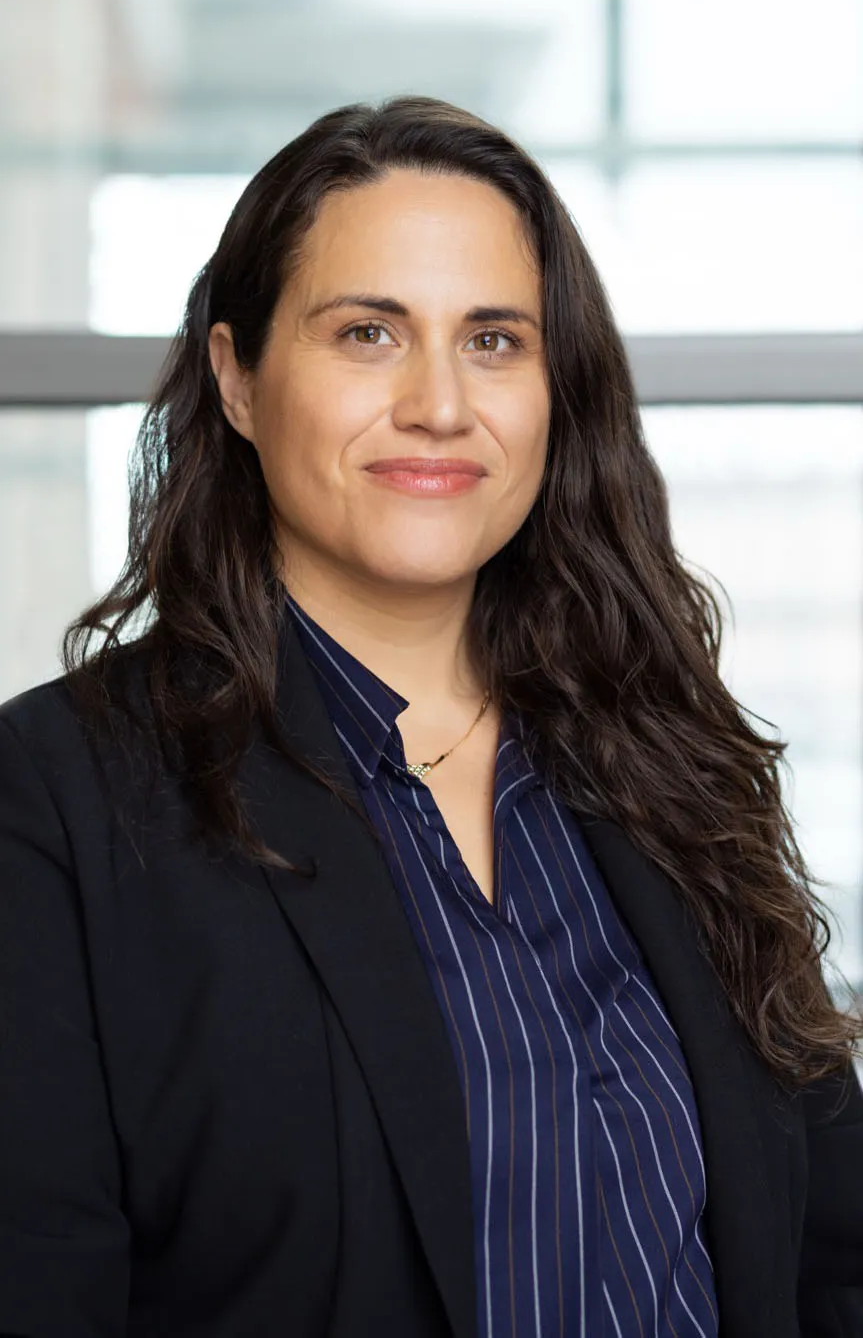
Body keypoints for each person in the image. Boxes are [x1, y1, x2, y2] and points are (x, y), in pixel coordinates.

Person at [1, 96, 861, 1338]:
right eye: (367, 332)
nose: (439, 404)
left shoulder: (672, 758)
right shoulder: (60, 803)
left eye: (495, 341)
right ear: (236, 377)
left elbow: (829, 1250)